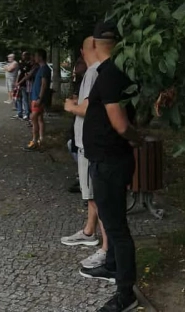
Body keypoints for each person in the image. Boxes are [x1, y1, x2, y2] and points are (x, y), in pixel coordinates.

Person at [75, 23, 141, 312]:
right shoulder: (108, 72)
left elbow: (119, 122)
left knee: (117, 228)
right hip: (104, 160)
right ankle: (112, 265)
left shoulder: (112, 73)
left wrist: (137, 139)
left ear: (95, 45)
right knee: (110, 221)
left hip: (111, 162)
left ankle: (126, 294)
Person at [61, 38, 108, 271]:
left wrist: (70, 106)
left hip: (88, 143)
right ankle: (89, 231)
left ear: (83, 51)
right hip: (87, 142)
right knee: (92, 194)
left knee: (98, 196)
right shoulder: (98, 71)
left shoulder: (92, 72)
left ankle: (105, 250)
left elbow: (89, 108)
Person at [26, 49, 52, 151]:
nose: (34, 58)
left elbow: (44, 85)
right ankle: (41, 140)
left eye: (36, 56)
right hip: (37, 98)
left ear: (40, 57)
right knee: (40, 119)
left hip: (37, 98)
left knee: (33, 118)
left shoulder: (44, 69)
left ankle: (34, 141)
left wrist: (39, 99)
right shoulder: (42, 68)